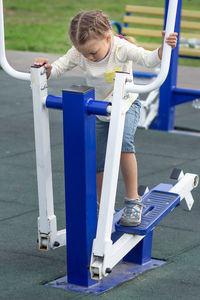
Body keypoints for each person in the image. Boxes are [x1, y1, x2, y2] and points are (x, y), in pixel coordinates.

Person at [34, 10, 177, 227]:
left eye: (93, 52)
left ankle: (133, 201)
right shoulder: (79, 53)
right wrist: (46, 69)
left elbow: (148, 60)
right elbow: (59, 68)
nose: (89, 58)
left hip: (126, 105)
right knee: (97, 157)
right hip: (101, 111)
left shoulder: (120, 48)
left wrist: (163, 48)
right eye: (85, 54)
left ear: (108, 37)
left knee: (123, 146)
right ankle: (100, 204)